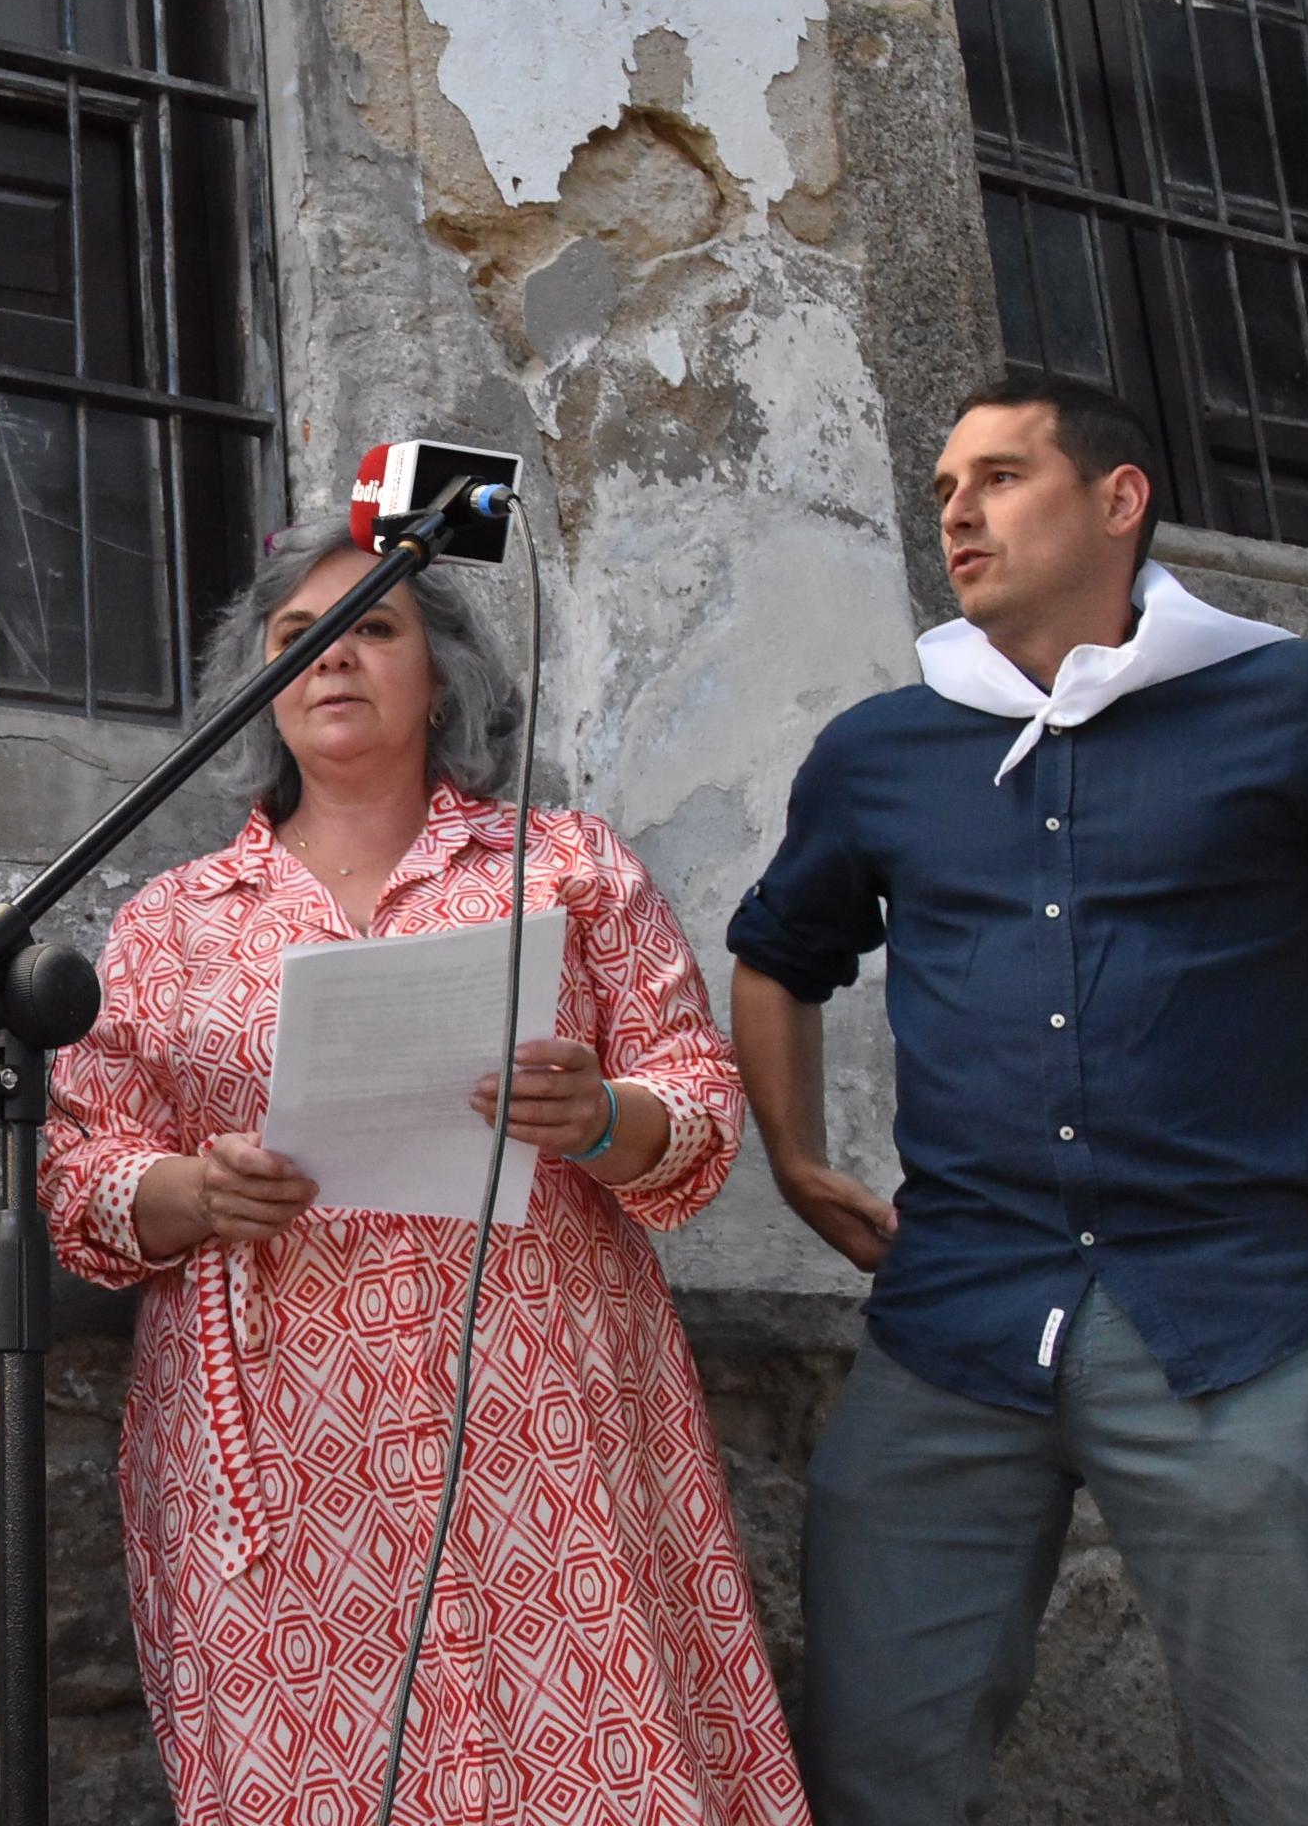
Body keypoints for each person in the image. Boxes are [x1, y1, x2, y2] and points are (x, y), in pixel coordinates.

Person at [728, 378, 1308, 1825]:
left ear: (1118, 501)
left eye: (1001, 476)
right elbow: (777, 954)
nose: (957, 510)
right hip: (952, 1325)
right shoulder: (888, 744)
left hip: (1237, 1319)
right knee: (880, 1774)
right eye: (945, 485)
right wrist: (799, 1159)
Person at [42, 515, 809, 1824]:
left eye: (373, 627)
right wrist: (190, 1192)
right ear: (261, 687)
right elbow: (78, 1172)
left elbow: (698, 1108)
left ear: (441, 673)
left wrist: (599, 1114)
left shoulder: (563, 869)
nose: (333, 657)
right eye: (298, 639)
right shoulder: (171, 923)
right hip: (285, 1452)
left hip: (545, 1427)